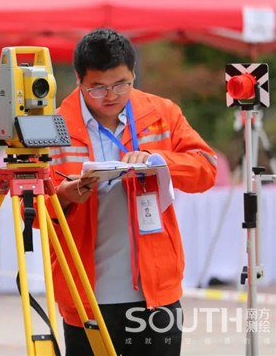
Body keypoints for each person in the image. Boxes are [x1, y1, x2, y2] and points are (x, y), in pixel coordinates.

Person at [50, 28, 217, 356]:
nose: (110, 95)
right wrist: (66, 195)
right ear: (79, 80)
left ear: (133, 73)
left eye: (121, 84)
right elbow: (32, 212)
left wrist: (159, 161)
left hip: (157, 293)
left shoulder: (161, 113)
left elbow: (206, 170)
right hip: (86, 296)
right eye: (97, 87)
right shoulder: (55, 126)